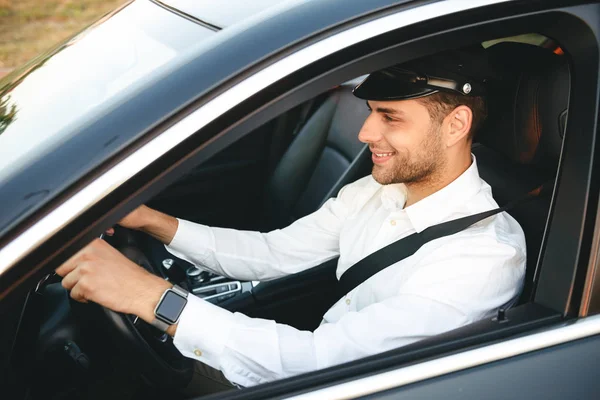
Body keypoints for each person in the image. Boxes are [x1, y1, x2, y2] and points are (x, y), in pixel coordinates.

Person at [56, 46, 526, 394]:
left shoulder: (481, 257)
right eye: (369, 114)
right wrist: (150, 220)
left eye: (390, 117)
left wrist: (150, 296)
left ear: (456, 125)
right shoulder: (377, 192)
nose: (365, 133)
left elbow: (319, 364)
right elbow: (273, 253)